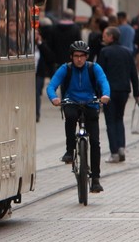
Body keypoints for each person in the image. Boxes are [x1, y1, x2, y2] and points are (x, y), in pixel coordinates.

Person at [47, 40, 111, 193]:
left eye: (82, 56)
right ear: (71, 57)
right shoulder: (66, 69)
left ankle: (95, 179)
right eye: (76, 56)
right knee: (70, 116)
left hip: (91, 103)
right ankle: (70, 151)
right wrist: (53, 98)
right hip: (72, 102)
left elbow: (104, 82)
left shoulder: (93, 68)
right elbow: (51, 86)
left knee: (95, 142)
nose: (79, 59)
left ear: (87, 56)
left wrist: (105, 95)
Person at [97, 27, 139, 162]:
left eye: (105, 35)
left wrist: (97, 93)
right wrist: (137, 93)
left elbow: (99, 74)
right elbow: (134, 73)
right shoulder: (127, 52)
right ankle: (121, 147)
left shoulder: (104, 52)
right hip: (124, 91)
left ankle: (114, 152)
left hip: (108, 92)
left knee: (110, 121)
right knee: (119, 119)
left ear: (111, 37)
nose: (103, 38)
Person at [35, 28, 56, 122]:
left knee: (36, 93)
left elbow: (50, 56)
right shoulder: (26, 45)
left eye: (36, 34)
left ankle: (36, 114)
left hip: (39, 73)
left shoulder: (42, 45)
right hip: (28, 73)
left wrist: (40, 43)